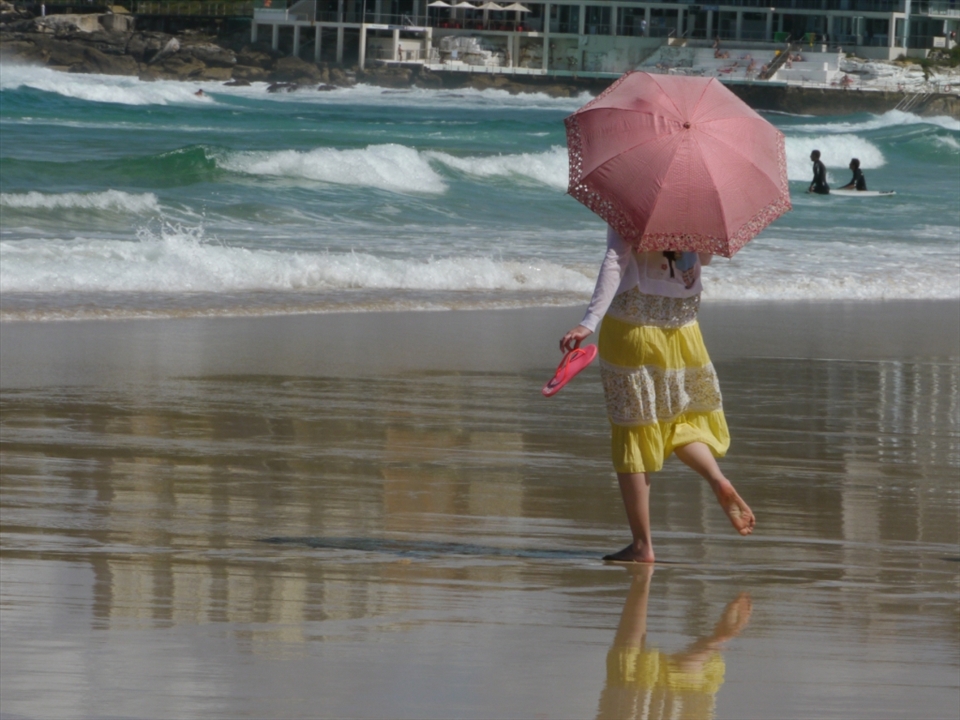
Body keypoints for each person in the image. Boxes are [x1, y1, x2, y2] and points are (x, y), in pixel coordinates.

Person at [559, 227, 756, 563]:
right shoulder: (696, 208)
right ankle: (716, 478)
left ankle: (642, 545)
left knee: (634, 431)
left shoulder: (633, 199)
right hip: (682, 328)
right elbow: (704, 259)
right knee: (680, 419)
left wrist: (588, 321)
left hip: (632, 326)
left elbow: (615, 260)